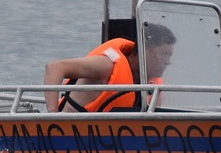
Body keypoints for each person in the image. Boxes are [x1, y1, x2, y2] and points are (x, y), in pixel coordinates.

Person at [44, 22, 175, 112]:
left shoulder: (151, 87)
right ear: (145, 51)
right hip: (69, 135)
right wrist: (52, 115)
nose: (167, 62)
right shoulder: (107, 65)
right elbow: (54, 68)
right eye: (164, 54)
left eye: (169, 55)